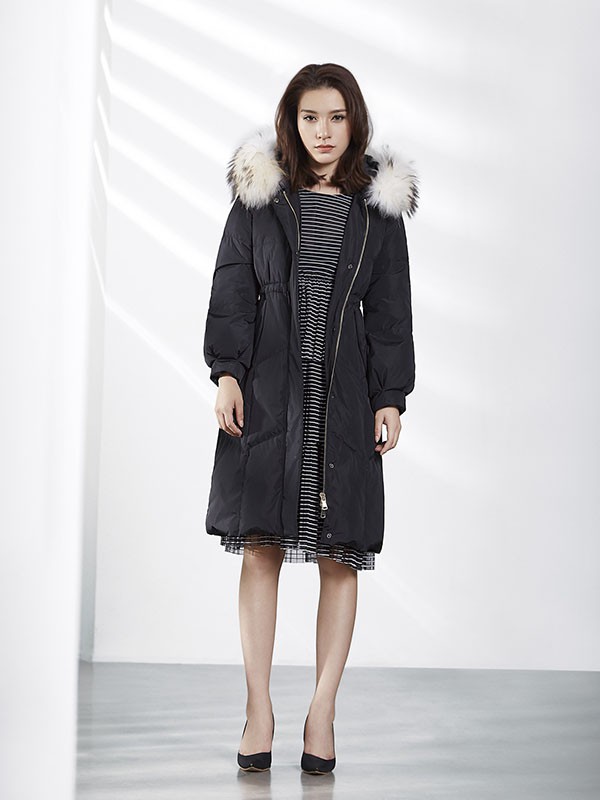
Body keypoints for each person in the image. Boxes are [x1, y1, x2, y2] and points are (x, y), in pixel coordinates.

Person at [203, 63, 419, 774]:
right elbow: (233, 287)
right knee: (261, 547)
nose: (323, 132)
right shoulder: (260, 198)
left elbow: (390, 309)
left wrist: (390, 395)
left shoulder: (377, 210)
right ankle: (257, 708)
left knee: (341, 553)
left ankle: (322, 711)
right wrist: (227, 373)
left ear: (355, 122)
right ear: (290, 123)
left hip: (345, 396)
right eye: (309, 118)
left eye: (336, 117)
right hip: (269, 389)